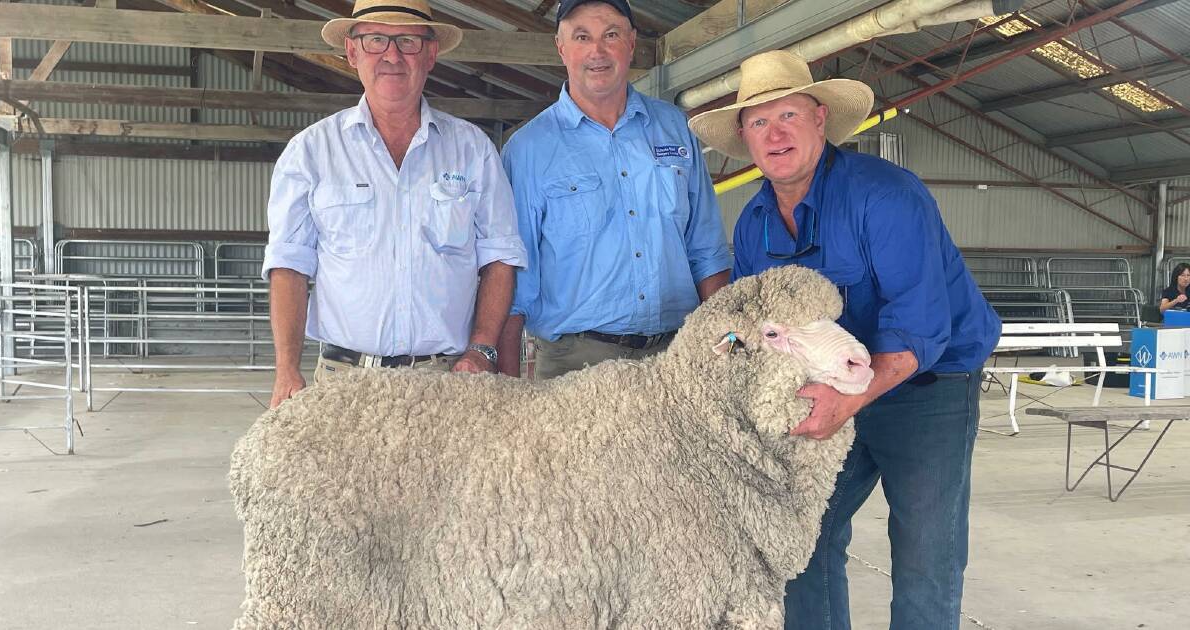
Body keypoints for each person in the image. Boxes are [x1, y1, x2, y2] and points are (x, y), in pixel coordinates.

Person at [688, 51, 1002, 630]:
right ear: (744, 138)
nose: (775, 133)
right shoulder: (754, 222)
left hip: (927, 384)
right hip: (829, 391)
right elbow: (755, 322)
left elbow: (921, 324)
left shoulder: (885, 196)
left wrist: (851, 399)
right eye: (759, 122)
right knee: (804, 539)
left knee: (925, 548)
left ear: (819, 119)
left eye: (788, 115)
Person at [261, 0, 526, 409]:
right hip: (343, 385)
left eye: (407, 41)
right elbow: (289, 264)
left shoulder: (472, 150)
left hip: (447, 384)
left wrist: (482, 349)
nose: (392, 55)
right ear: (352, 52)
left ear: (431, 54)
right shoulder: (311, 152)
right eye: (376, 40)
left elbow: (501, 256)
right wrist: (286, 370)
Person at [497, 0, 731, 380]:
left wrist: (730, 348)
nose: (597, 51)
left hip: (679, 359)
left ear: (632, 42)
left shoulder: (675, 128)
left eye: (610, 35)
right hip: (576, 368)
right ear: (561, 47)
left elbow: (707, 254)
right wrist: (505, 392)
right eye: (582, 37)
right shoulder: (528, 150)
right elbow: (514, 283)